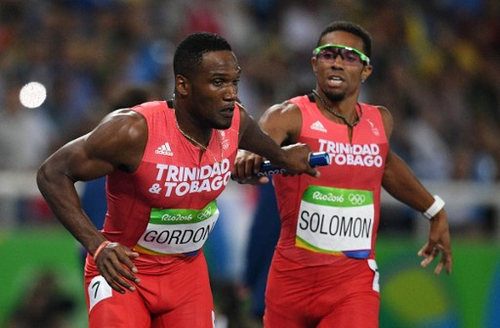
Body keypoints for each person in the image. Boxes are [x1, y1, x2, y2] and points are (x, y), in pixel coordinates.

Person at [36, 32, 318, 328]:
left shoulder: (236, 122)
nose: (231, 93)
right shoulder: (133, 130)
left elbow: (274, 154)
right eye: (218, 82)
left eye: (234, 82)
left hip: (186, 274)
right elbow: (51, 174)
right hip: (125, 271)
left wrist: (284, 158)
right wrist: (98, 245)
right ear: (183, 85)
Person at [231, 21, 453, 328]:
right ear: (314, 63)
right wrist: (247, 156)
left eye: (349, 57)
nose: (336, 62)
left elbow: (386, 164)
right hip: (289, 286)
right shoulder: (289, 116)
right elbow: (257, 142)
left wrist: (434, 210)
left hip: (352, 286)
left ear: (365, 70)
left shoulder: (380, 121)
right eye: (328, 54)